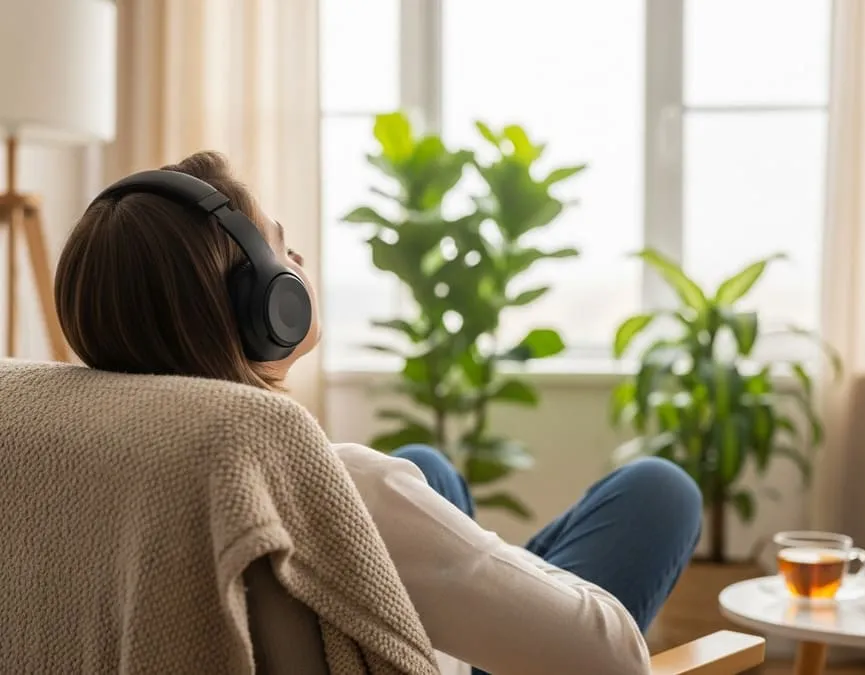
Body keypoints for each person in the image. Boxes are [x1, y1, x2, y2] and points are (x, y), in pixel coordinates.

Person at [54, 151, 703, 675]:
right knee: (661, 490)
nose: (298, 262)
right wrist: (497, 564)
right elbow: (609, 656)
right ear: (267, 307)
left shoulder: (81, 458)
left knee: (425, 467)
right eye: (282, 249)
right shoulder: (340, 489)